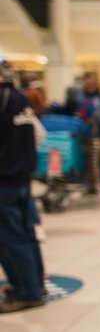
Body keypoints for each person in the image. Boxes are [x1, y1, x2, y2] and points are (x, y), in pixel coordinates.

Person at [0, 56, 46, 313]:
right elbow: (38, 134)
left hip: (4, 180)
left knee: (10, 238)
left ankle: (27, 292)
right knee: (27, 234)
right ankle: (32, 283)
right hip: (21, 177)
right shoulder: (19, 97)